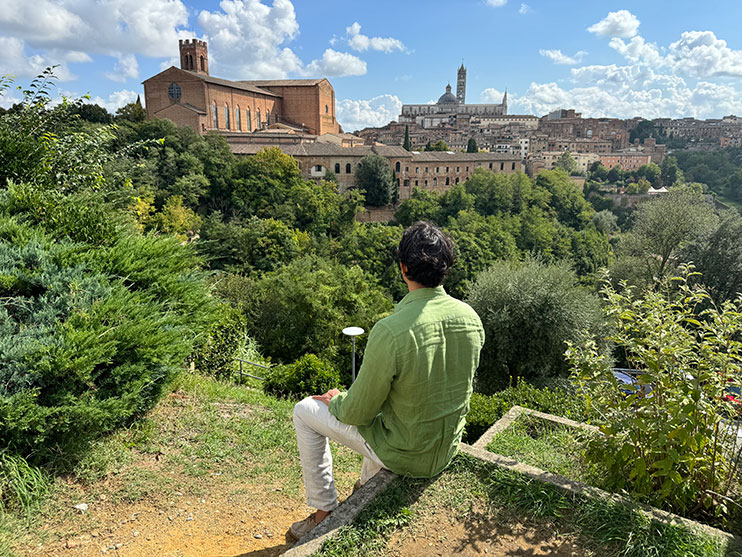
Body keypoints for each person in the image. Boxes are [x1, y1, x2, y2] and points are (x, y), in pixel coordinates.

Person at [288, 221, 485, 541]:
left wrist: (336, 399)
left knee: (304, 410)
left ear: (404, 267)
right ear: (445, 268)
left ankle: (323, 512)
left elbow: (356, 414)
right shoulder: (471, 319)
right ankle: (364, 488)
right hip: (444, 449)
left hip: (406, 452)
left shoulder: (392, 330)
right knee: (394, 406)